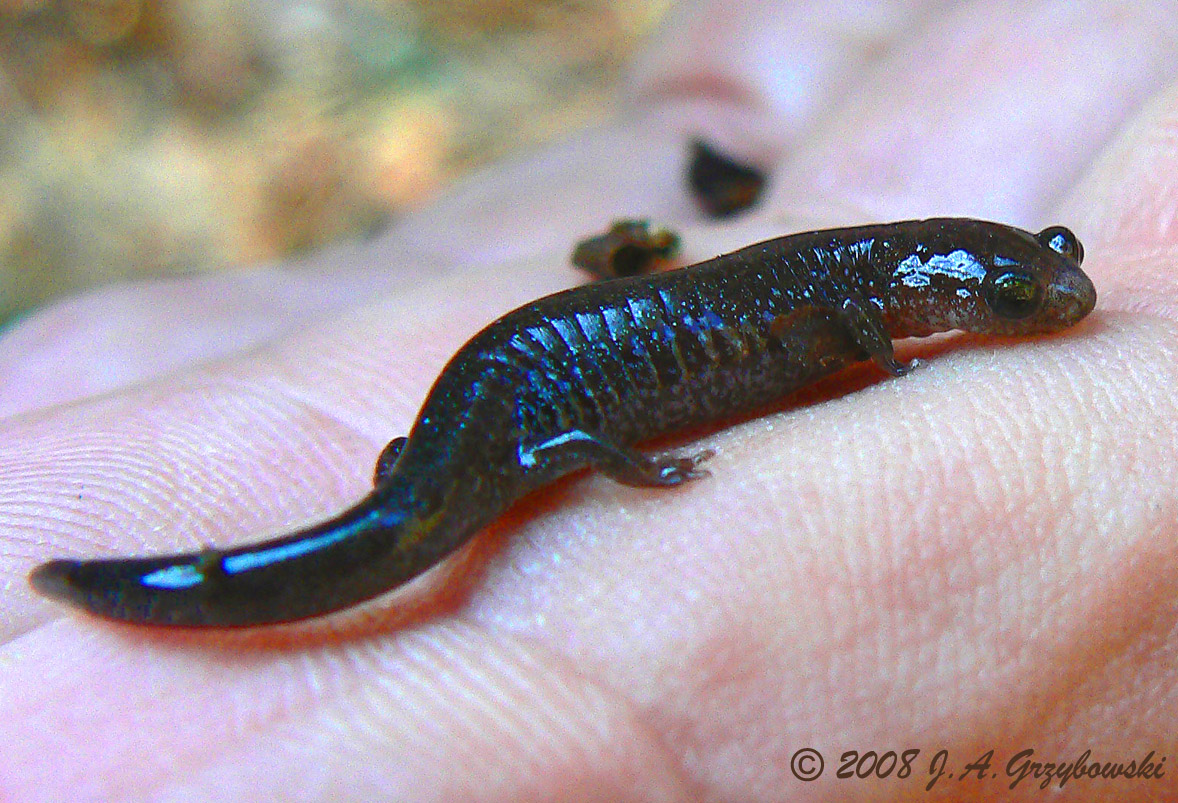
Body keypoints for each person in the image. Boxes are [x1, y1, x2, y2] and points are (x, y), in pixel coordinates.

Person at [3, 1, 1176, 799]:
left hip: (493, 385)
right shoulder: (865, 302)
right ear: (932, 280)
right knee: (431, 503)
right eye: (1021, 290)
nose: (1053, 299)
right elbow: (846, 343)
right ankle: (198, 578)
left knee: (436, 478)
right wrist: (624, 459)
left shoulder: (872, 286)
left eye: (1032, 277)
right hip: (516, 394)